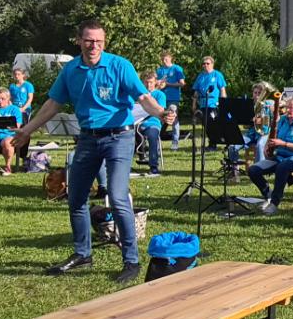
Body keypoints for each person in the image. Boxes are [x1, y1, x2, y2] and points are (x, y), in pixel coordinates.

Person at [12, 19, 174, 285]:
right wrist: (27, 130)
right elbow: (53, 103)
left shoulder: (119, 65)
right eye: (88, 40)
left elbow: (144, 97)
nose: (93, 46)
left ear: (104, 42)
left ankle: (131, 260)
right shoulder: (71, 70)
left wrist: (161, 113)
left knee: (118, 197)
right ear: (79, 41)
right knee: (76, 198)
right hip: (87, 138)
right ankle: (82, 253)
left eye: (99, 41)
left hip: (119, 137)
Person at [247, 94, 293, 215]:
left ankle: (274, 203)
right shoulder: (283, 120)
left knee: (282, 167)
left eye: (290, 108)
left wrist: (283, 144)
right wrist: (268, 148)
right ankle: (268, 196)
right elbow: (273, 136)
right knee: (253, 170)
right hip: (280, 157)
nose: (287, 110)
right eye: (287, 107)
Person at [137, 70, 170, 176]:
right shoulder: (138, 94)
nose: (148, 85)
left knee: (152, 136)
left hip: (152, 122)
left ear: (155, 82)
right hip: (137, 123)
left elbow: (160, 110)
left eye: (151, 82)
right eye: (146, 82)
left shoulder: (159, 94)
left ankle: (154, 166)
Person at [191, 56, 227, 148]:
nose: (205, 65)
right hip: (203, 103)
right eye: (204, 64)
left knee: (212, 122)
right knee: (205, 124)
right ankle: (213, 142)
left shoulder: (217, 75)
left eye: (208, 63)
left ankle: (215, 142)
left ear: (212, 64)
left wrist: (224, 103)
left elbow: (222, 89)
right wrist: (194, 104)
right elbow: (196, 91)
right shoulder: (200, 76)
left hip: (213, 103)